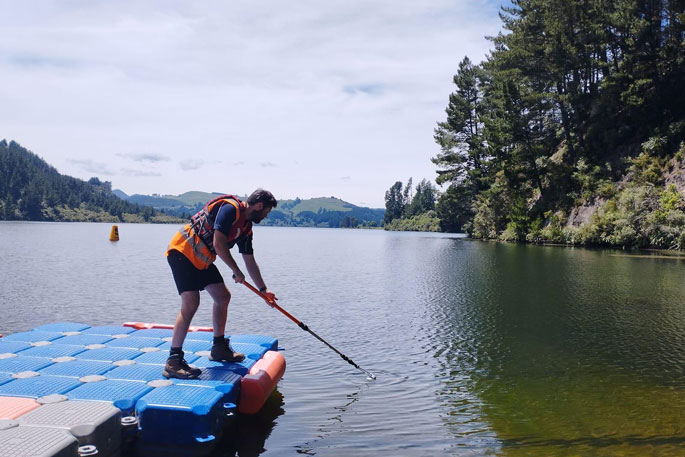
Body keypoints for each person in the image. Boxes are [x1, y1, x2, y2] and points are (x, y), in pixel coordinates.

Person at [163, 189, 278, 379]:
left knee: (223, 296)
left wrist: (263, 290)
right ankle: (173, 361)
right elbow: (218, 243)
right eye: (266, 211)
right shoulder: (230, 209)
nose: (266, 216)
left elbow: (249, 259)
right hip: (182, 250)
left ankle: (218, 348)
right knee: (191, 303)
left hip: (202, 258)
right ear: (259, 206)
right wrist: (236, 271)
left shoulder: (247, 227)